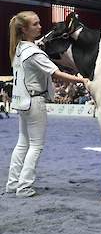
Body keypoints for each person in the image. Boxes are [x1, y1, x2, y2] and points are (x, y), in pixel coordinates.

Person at [6, 11, 89, 197]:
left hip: (22, 101)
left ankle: (13, 183)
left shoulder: (18, 49)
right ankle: (24, 186)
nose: (40, 26)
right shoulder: (34, 52)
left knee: (22, 144)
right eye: (35, 24)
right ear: (24, 30)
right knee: (36, 146)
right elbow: (56, 73)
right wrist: (82, 80)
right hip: (35, 101)